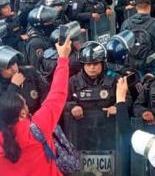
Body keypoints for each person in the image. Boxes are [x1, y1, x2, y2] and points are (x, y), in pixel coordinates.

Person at [0, 37, 71, 176]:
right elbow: (57, 93)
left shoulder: (29, 73)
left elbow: (47, 92)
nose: (14, 69)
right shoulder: (38, 128)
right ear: (23, 113)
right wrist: (63, 59)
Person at [68, 41, 119, 119]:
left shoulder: (115, 78)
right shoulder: (73, 81)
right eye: (88, 64)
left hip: (109, 124)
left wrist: (117, 107)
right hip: (82, 126)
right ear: (83, 65)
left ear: (102, 64)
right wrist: (73, 107)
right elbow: (63, 100)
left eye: (95, 64)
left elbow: (127, 99)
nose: (92, 67)